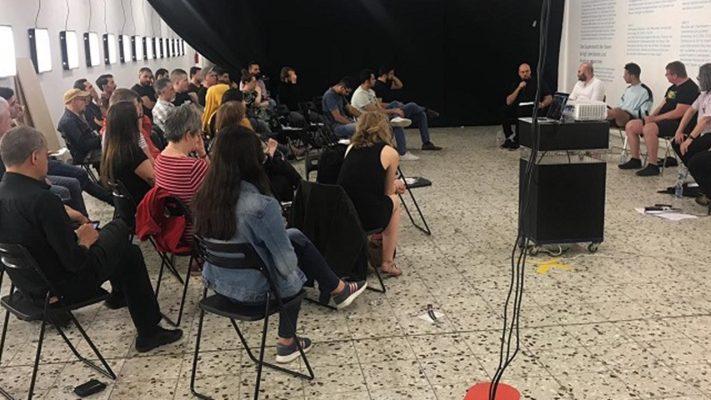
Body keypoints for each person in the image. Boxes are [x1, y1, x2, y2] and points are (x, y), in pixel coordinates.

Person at [0, 126, 182, 353]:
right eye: (46, 155)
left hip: (30, 287)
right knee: (122, 234)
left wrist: (74, 236)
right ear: (34, 157)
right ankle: (149, 332)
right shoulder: (42, 200)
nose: (48, 161)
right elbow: (75, 261)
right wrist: (84, 240)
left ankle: (121, 297)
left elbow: (36, 243)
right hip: (63, 287)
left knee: (122, 250)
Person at [194, 125, 367, 363]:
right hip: (255, 293)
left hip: (218, 284)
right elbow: (286, 266)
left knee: (295, 235)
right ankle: (287, 342)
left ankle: (338, 288)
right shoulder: (262, 206)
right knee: (293, 271)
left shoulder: (204, 198)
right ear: (252, 161)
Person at [337, 111, 404, 277]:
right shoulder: (390, 152)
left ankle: (376, 244)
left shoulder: (350, 148)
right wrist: (396, 185)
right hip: (366, 216)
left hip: (344, 213)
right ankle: (388, 262)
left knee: (376, 200)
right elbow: (387, 192)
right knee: (395, 201)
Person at [620, 61, 700, 176]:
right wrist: (650, 117)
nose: (666, 76)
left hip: (679, 124)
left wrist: (655, 119)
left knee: (649, 128)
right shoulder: (672, 88)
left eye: (667, 74)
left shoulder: (690, 88)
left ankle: (653, 165)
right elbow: (662, 105)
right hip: (662, 120)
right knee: (631, 125)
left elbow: (679, 112)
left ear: (675, 75)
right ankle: (635, 159)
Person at [215, 101, 301, 201]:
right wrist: (270, 154)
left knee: (280, 164)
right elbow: (255, 167)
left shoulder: (219, 141)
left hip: (237, 183)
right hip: (253, 182)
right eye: (243, 116)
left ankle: (301, 186)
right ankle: (302, 187)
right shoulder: (244, 139)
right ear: (239, 120)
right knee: (282, 171)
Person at [154, 104, 208, 243]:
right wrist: (203, 155)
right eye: (198, 135)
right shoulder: (194, 167)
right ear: (188, 135)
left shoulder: (159, 160)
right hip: (197, 233)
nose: (199, 139)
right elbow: (219, 190)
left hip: (174, 230)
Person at [351, 70, 419, 160]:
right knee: (396, 122)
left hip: (376, 118)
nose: (375, 80)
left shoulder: (370, 92)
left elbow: (379, 107)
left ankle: (400, 150)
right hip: (367, 122)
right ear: (367, 81)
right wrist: (394, 111)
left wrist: (391, 113)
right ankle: (402, 153)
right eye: (373, 79)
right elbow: (375, 111)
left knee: (396, 117)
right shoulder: (360, 94)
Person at [373, 66, 442, 151]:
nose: (393, 75)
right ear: (385, 74)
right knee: (412, 105)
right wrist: (394, 106)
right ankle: (426, 109)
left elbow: (400, 85)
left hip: (396, 107)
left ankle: (426, 143)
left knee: (421, 115)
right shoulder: (378, 86)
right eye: (391, 73)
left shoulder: (386, 83)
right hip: (390, 110)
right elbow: (379, 104)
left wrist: (393, 77)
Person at [101, 102, 154, 203]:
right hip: (146, 204)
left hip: (129, 206)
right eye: (139, 117)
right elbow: (157, 183)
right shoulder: (132, 154)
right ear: (131, 123)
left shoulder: (111, 150)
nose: (141, 120)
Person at [501, 63, 553, 149]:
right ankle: (510, 137)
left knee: (526, 113)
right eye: (522, 72)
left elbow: (549, 97)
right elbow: (508, 101)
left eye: (527, 71)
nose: (525, 74)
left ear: (530, 71)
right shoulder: (516, 83)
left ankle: (521, 139)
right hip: (519, 108)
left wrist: (543, 104)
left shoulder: (538, 82)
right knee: (505, 111)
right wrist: (519, 88)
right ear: (519, 73)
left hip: (534, 108)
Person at [674, 63, 711, 170]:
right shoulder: (704, 94)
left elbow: (705, 120)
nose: (698, 79)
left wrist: (690, 139)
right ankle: (693, 169)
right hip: (703, 133)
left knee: (690, 149)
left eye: (700, 76)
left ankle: (696, 169)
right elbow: (690, 111)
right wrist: (679, 131)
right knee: (677, 142)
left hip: (709, 134)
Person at [107, 88, 159, 160]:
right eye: (136, 105)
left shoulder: (140, 127)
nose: (139, 109)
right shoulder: (125, 141)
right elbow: (150, 161)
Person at [57, 88, 102, 165]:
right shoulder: (68, 122)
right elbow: (83, 145)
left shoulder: (77, 116)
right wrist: (102, 139)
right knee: (114, 152)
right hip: (86, 155)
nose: (85, 103)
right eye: (83, 99)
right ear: (73, 101)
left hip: (91, 150)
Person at [607, 63, 653, 128]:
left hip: (633, 118)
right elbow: (621, 105)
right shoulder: (628, 89)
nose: (623, 76)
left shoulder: (645, 91)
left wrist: (625, 110)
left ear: (632, 76)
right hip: (621, 114)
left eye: (626, 74)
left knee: (616, 111)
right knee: (604, 109)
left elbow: (644, 113)